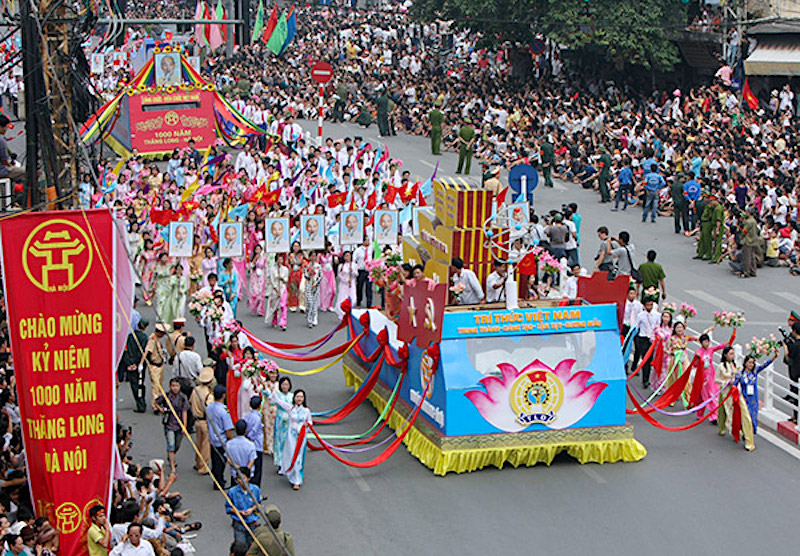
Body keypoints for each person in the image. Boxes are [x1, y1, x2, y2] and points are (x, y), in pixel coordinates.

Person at [269, 389, 312, 490]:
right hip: (291, 437)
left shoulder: (306, 411)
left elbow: (310, 422)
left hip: (301, 437)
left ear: (304, 398)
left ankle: (297, 480)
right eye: (297, 396)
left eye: (301, 397)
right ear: (294, 398)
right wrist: (272, 392)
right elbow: (280, 402)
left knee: (299, 457)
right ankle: (290, 473)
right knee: (291, 454)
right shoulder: (290, 408)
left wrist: (306, 425)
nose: (299, 398)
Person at [154, 378, 190, 475]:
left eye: (176, 386)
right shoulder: (166, 396)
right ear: (170, 386)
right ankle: (173, 466)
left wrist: (184, 426)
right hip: (169, 423)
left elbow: (184, 411)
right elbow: (156, 402)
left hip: (179, 424)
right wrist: (160, 409)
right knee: (171, 444)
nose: (175, 388)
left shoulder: (183, 397)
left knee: (176, 445)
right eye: (173, 386)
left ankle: (171, 456)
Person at [207, 385, 235, 489]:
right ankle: (219, 482)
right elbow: (228, 429)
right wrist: (230, 440)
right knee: (221, 463)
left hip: (212, 438)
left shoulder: (209, 407)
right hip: (221, 440)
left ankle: (217, 480)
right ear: (223, 396)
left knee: (215, 461)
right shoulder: (224, 411)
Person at [226, 469, 263, 546]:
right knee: (240, 547)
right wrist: (239, 512)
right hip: (239, 523)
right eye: (238, 478)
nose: (240, 480)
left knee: (252, 547)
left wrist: (252, 509)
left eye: (243, 478)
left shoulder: (255, 489)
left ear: (248, 478)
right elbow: (228, 508)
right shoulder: (232, 492)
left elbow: (259, 503)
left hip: (252, 523)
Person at [190, 366, 215, 475]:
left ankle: (198, 462)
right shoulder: (208, 394)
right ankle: (204, 467)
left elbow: (191, 401)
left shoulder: (195, 390)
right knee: (206, 445)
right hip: (204, 421)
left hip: (196, 419)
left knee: (199, 442)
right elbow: (210, 409)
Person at [633, 294, 660, 388]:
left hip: (652, 339)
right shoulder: (641, 315)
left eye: (651, 305)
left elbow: (658, 326)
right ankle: (645, 380)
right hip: (643, 338)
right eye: (648, 305)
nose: (649, 307)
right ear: (644, 305)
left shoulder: (656, 315)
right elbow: (637, 327)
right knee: (645, 359)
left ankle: (648, 378)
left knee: (650, 359)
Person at [123, 318, 149, 413]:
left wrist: (129, 363)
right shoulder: (144, 338)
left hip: (131, 364)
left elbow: (127, 351)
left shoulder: (130, 336)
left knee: (134, 385)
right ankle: (142, 403)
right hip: (139, 365)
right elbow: (143, 353)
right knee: (140, 383)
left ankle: (140, 404)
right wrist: (139, 364)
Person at [144, 323, 168, 410]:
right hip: (154, 365)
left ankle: (158, 402)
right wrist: (141, 363)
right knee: (155, 386)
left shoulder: (157, 339)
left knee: (160, 385)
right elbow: (147, 351)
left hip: (160, 364)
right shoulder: (152, 339)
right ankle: (155, 405)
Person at [272, 377, 293, 473]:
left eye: (287, 384)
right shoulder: (277, 395)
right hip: (280, 420)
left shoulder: (292, 396)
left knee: (288, 441)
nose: (285, 386)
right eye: (283, 384)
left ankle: (288, 463)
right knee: (279, 442)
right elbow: (272, 401)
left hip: (289, 420)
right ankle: (280, 464)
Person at [243, 396, 265, 487]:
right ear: (259, 406)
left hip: (249, 444)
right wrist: (249, 438)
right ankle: (255, 487)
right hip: (256, 445)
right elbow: (254, 431)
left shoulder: (246, 416)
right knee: (257, 468)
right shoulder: (257, 418)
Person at [0, 115, 25, 185]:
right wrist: (10, 166)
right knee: (27, 172)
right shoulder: (1, 141)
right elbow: (4, 160)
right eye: (4, 127)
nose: (5, 129)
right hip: (2, 171)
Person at [783, 321, 800, 423]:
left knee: (796, 396)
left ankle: (796, 417)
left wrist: (786, 346)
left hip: (796, 373)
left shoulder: (795, 345)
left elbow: (788, 356)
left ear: (794, 331)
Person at [304, 250, 322, 328]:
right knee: (309, 303)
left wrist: (316, 283)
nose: (313, 258)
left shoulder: (318, 266)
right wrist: (309, 272)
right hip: (308, 286)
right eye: (312, 256)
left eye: (315, 256)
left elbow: (321, 276)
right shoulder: (307, 266)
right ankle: (309, 318)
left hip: (316, 286)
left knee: (314, 303)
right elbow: (305, 275)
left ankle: (314, 318)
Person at [354, 238, 372, 308]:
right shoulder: (358, 250)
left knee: (369, 287)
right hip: (361, 270)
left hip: (369, 271)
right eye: (367, 240)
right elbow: (354, 260)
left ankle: (369, 303)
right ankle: (359, 300)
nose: (368, 241)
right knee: (359, 287)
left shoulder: (371, 249)